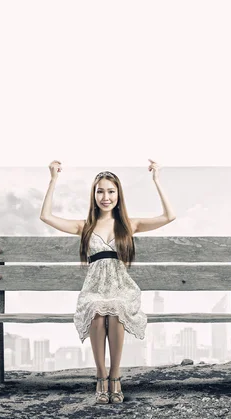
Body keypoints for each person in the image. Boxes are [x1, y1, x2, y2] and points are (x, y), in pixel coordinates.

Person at [40, 159, 176, 404]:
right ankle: (101, 376)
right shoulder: (85, 226)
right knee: (97, 310)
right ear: (93, 195)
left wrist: (157, 180)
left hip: (120, 287)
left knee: (115, 309)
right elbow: (46, 216)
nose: (106, 196)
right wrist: (53, 180)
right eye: (100, 191)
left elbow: (169, 216)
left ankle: (115, 377)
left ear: (118, 195)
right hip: (94, 289)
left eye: (111, 191)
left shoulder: (128, 224)